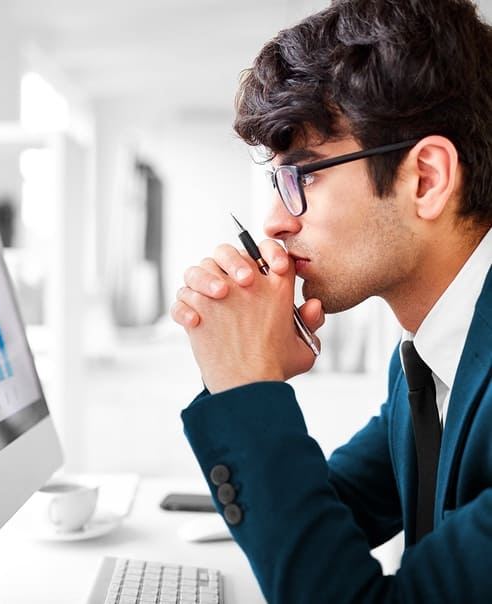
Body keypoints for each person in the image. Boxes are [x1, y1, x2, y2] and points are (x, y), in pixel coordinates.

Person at [170, 0, 492, 601]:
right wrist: (245, 374)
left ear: (426, 179)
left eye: (304, 176)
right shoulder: (434, 356)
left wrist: (247, 386)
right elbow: (337, 509)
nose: (275, 222)